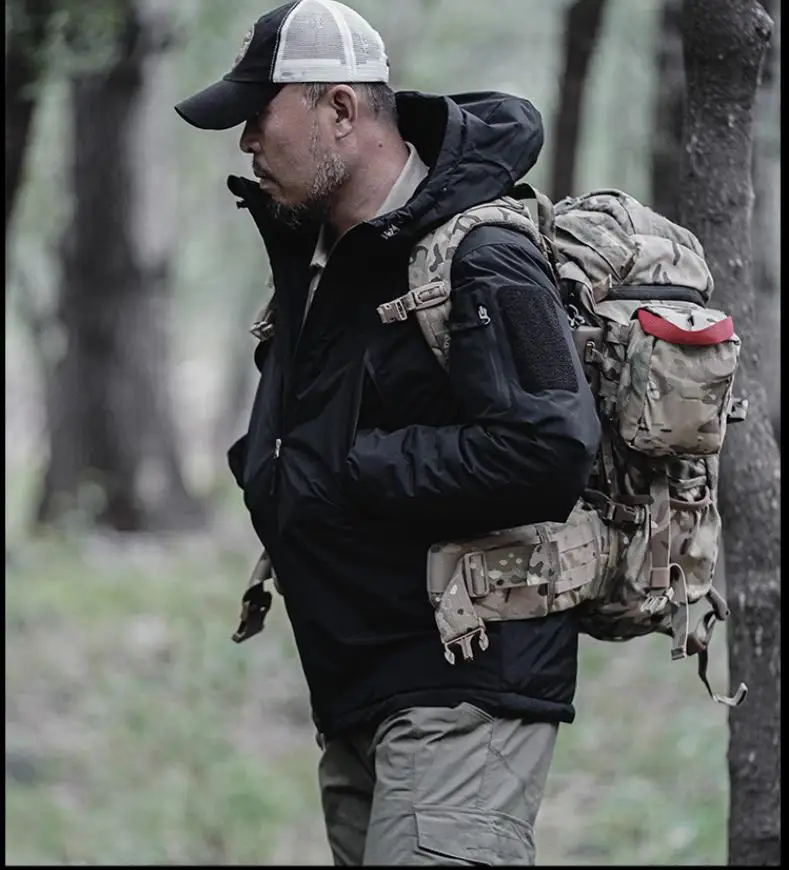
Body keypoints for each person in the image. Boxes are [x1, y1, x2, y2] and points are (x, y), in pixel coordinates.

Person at [175, 0, 601, 864]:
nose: (246, 142)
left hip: (462, 685)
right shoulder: (321, 257)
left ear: (339, 108)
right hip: (358, 685)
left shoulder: (481, 254)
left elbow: (550, 445)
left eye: (258, 116)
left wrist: (349, 467)